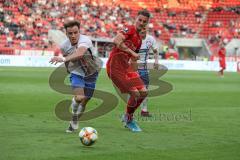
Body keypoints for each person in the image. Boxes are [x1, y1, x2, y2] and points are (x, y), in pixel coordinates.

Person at [49, 20, 99, 133]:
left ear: (79, 31)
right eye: (70, 33)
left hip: (91, 73)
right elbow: (68, 60)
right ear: (66, 34)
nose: (73, 36)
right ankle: (74, 111)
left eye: (75, 32)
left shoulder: (85, 40)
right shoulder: (64, 46)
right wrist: (68, 69)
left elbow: (80, 53)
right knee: (79, 97)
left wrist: (63, 59)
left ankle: (74, 119)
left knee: (85, 101)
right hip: (77, 72)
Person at [106, 9, 151, 132]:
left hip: (127, 68)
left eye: (144, 21)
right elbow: (116, 40)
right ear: (136, 19)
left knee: (144, 92)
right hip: (115, 68)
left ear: (146, 24)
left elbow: (133, 59)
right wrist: (131, 52)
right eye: (140, 20)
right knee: (135, 94)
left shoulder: (139, 40)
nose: (141, 23)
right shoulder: (129, 29)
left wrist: (136, 72)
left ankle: (127, 117)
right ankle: (129, 120)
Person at [136, 27, 159, 117]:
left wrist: (156, 61)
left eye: (144, 32)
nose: (143, 34)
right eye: (141, 32)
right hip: (132, 66)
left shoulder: (150, 39)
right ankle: (130, 111)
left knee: (145, 90)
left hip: (143, 68)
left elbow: (155, 50)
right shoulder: (134, 39)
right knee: (132, 90)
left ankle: (144, 110)